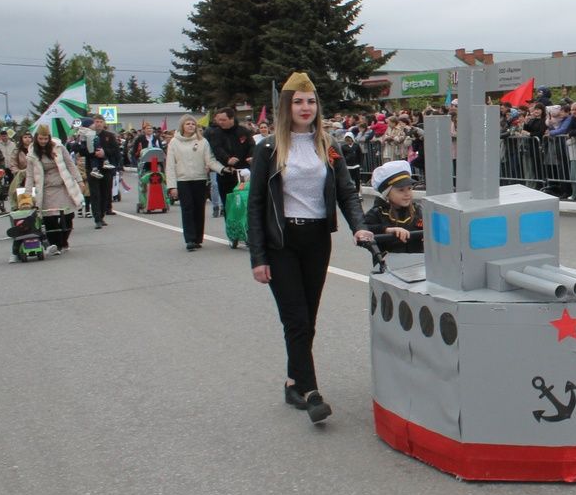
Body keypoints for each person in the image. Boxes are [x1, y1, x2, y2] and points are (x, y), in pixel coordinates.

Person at [248, 72, 374, 424]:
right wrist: (258, 257)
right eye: (298, 102)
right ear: (286, 106)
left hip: (317, 240)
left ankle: (293, 382)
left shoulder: (327, 145)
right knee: (297, 319)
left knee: (308, 319)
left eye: (311, 101)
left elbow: (346, 191)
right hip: (282, 241)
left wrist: (360, 227)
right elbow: (256, 204)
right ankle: (311, 392)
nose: (306, 107)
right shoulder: (269, 148)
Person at [24, 125, 85, 255]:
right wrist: (27, 194)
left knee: (68, 217)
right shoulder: (32, 153)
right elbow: (29, 175)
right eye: (41, 139)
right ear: (36, 138)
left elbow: (70, 164)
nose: (43, 141)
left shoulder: (59, 147)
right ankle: (55, 245)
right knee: (50, 219)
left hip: (63, 187)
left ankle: (64, 241)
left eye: (46, 139)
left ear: (49, 138)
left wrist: (79, 180)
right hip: (46, 190)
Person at [166, 114, 223, 251]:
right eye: (188, 124)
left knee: (199, 208)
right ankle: (190, 239)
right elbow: (170, 165)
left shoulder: (202, 141)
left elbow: (210, 160)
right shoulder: (174, 142)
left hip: (199, 179)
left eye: (193, 124)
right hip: (183, 180)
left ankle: (198, 238)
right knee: (187, 208)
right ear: (182, 126)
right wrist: (172, 186)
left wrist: (222, 169)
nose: (191, 126)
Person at [363, 160, 424, 252]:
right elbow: (363, 231)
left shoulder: (418, 210)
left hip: (418, 259)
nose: (407, 193)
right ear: (387, 193)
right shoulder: (377, 213)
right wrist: (386, 230)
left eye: (409, 188)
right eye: (401, 190)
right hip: (389, 259)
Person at [86, 118, 121, 229]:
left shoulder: (109, 136)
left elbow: (116, 151)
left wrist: (104, 152)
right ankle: (97, 219)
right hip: (92, 169)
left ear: (104, 123)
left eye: (100, 122)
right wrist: (93, 152)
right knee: (95, 194)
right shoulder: (88, 135)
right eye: (96, 122)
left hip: (106, 169)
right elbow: (81, 150)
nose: (98, 124)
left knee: (105, 193)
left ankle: (101, 215)